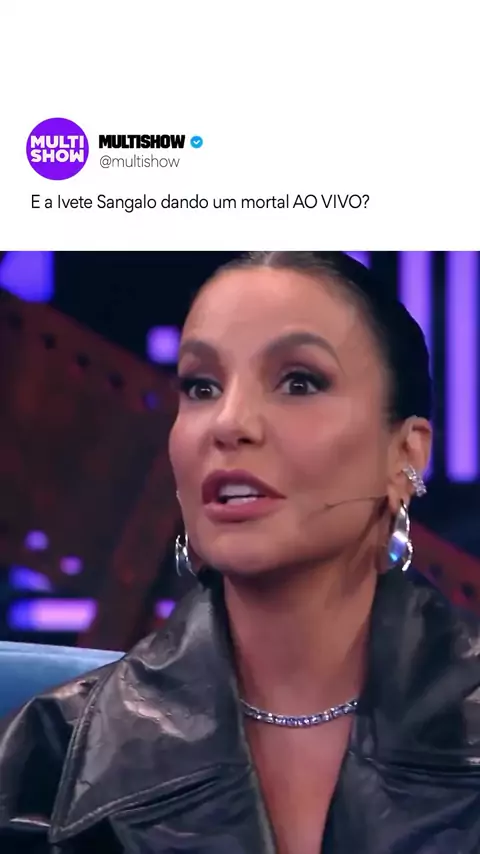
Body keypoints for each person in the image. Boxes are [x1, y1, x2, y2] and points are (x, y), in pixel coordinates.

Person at [0, 251, 479, 854]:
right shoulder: (48, 758)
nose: (229, 423)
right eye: (201, 387)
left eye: (299, 382)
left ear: (404, 455)